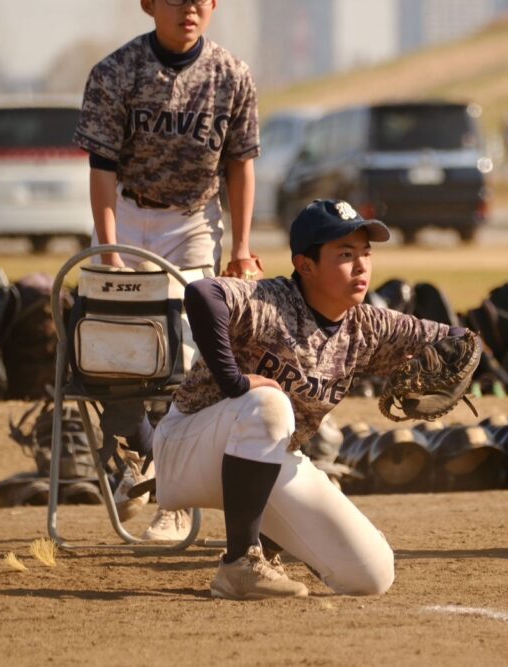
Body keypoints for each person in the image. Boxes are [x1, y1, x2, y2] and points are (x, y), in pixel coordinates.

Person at [153, 199, 470, 599]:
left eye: (365, 254)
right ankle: (239, 563)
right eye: (345, 254)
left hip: (262, 462)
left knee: (370, 575)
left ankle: (269, 545)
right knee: (270, 402)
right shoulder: (272, 302)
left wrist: (460, 354)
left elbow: (457, 339)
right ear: (306, 265)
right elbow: (203, 294)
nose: (361, 267)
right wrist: (233, 381)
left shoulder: (367, 326)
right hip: (188, 449)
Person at [72, 0, 263, 544]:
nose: (190, 7)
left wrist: (243, 248)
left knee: (188, 352)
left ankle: (173, 498)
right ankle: (142, 456)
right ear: (149, 4)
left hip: (193, 221)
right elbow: (103, 171)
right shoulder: (115, 71)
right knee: (113, 349)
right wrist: (110, 251)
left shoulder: (232, 75)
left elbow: (240, 164)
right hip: (127, 214)